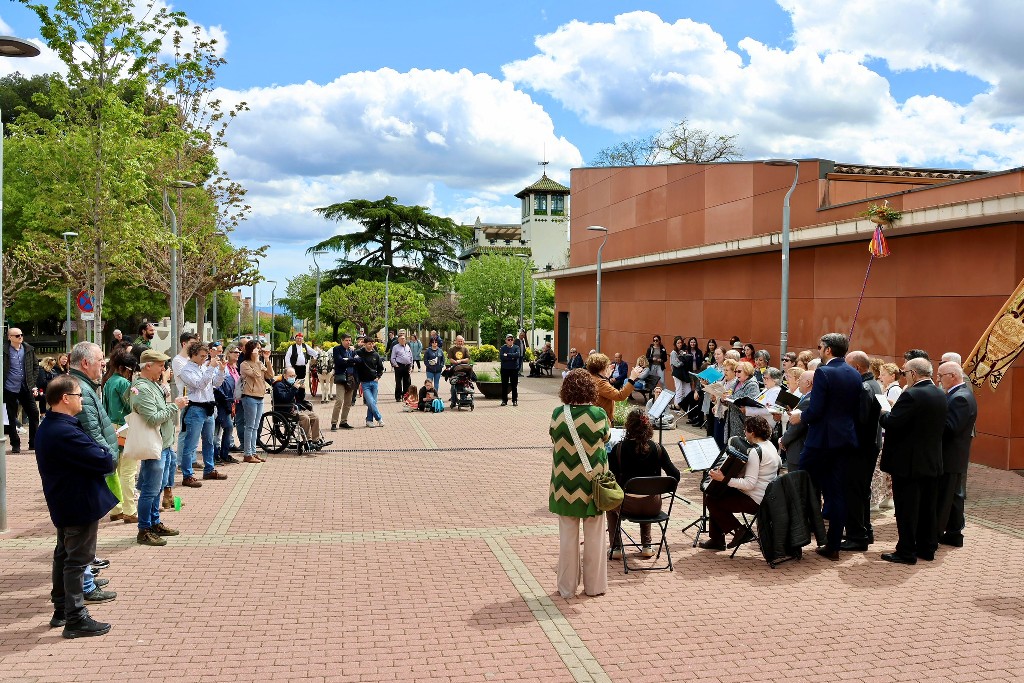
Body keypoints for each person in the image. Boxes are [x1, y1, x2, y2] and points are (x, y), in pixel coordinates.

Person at [35, 374, 117, 639]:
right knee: (77, 560)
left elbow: (95, 453)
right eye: (79, 395)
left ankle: (61, 610)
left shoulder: (55, 425)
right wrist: (104, 453)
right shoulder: (64, 430)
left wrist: (100, 452)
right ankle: (75, 617)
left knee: (64, 555)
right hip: (76, 502)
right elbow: (104, 460)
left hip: (67, 500)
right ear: (65, 399)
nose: (82, 400)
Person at [789, 332, 862, 560]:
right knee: (836, 493)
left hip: (821, 441)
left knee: (800, 485)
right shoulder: (854, 372)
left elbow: (817, 410)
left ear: (828, 349)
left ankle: (795, 540)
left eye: (820, 347)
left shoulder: (824, 371)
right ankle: (833, 546)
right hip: (845, 439)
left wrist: (800, 416)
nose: (818, 350)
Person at [879, 357, 948, 564]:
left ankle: (906, 551)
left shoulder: (912, 394)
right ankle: (927, 548)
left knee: (906, 508)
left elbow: (893, 423)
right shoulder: (939, 393)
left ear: (913, 374)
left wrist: (883, 412)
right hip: (931, 461)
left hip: (908, 463)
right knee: (928, 507)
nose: (903, 376)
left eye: (904, 372)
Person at [549, 369, 611, 599]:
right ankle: (594, 587)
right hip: (594, 485)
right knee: (595, 537)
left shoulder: (558, 414)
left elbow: (553, 437)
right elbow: (606, 438)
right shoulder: (598, 414)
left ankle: (566, 588)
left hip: (565, 484)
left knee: (567, 538)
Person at [130, 350, 188, 546]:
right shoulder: (142, 388)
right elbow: (152, 418)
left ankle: (154, 523)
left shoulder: (152, 385)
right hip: (154, 446)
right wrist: (175, 406)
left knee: (158, 488)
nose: (163, 369)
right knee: (150, 490)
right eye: (160, 365)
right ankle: (144, 529)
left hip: (163, 444)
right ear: (148, 366)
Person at [606, 408, 680, 558]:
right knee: (647, 492)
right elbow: (675, 475)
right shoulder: (658, 448)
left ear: (628, 426)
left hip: (625, 506)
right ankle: (647, 545)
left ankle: (616, 548)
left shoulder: (618, 449)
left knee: (610, 503)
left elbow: (611, 479)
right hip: (652, 507)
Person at [699, 416, 781, 550]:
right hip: (766, 497)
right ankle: (717, 539)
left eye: (746, 430)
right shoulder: (770, 445)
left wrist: (724, 479)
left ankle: (739, 531)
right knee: (715, 492)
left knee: (712, 500)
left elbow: (749, 484)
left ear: (752, 432)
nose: (744, 433)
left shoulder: (755, 452)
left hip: (755, 500)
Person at [841, 350, 883, 551]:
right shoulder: (874, 384)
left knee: (854, 492)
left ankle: (857, 536)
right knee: (862, 491)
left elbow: (860, 421)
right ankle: (865, 530)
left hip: (859, 448)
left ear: (856, 368)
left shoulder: (864, 387)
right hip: (868, 447)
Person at [936, 361, 977, 549]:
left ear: (952, 376)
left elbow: (951, 427)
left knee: (947, 498)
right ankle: (953, 533)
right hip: (954, 456)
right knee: (953, 497)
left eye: (940, 375)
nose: (938, 379)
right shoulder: (958, 394)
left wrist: (932, 420)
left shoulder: (960, 397)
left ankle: (940, 533)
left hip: (951, 456)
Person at [177, 342, 227, 485]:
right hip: (195, 408)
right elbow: (200, 384)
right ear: (193, 355)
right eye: (202, 356)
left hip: (208, 407)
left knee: (209, 441)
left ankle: (209, 469)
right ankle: (187, 475)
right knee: (191, 444)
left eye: (206, 356)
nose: (204, 359)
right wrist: (211, 367)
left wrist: (221, 371)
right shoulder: (186, 370)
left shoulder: (204, 367)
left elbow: (216, 384)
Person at [103, 352, 139, 524]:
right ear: (124, 368)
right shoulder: (124, 383)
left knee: (114, 472)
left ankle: (115, 509)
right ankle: (129, 510)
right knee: (129, 472)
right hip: (126, 427)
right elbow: (131, 406)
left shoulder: (108, 381)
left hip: (111, 427)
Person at [4, 327, 40, 453]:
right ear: (9, 337)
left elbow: (36, 366)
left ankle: (33, 442)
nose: (20, 337)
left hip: (26, 387)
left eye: (21, 335)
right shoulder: (4, 350)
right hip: (9, 388)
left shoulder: (28, 349)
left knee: (34, 413)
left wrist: (32, 381)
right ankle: (15, 444)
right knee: (11, 416)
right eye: (17, 335)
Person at [239, 341, 274, 463]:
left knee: (255, 427)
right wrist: (257, 360)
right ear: (250, 350)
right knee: (249, 426)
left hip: (260, 396)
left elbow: (270, 375)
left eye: (260, 348)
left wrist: (267, 360)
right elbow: (257, 375)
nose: (259, 350)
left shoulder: (260, 362)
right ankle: (247, 454)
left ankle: (253, 452)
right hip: (249, 397)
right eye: (257, 348)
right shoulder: (244, 364)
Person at [273, 367, 326, 447]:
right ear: (284, 376)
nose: (293, 378)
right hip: (285, 410)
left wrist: (302, 389)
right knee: (305, 418)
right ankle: (308, 441)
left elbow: (300, 399)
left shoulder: (292, 384)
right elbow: (285, 398)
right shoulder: (279, 385)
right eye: (290, 376)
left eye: (294, 376)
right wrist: (294, 388)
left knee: (315, 417)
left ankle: (315, 440)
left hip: (296, 408)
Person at [585, 353, 642, 422]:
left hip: (595, 417)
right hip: (602, 420)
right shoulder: (600, 382)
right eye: (606, 366)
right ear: (602, 367)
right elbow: (620, 396)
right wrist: (632, 379)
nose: (608, 367)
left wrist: (606, 377)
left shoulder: (592, 378)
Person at [779, 370, 813, 470]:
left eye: (800, 380)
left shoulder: (808, 400)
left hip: (798, 450)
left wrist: (783, 440)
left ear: (808, 383)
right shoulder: (806, 397)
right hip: (796, 448)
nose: (798, 382)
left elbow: (797, 427)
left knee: (796, 484)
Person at [213, 346, 240, 466]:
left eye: (239, 352)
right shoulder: (223, 366)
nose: (238, 354)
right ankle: (216, 455)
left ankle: (222, 454)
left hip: (229, 401)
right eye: (235, 352)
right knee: (220, 429)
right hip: (220, 401)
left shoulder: (233, 368)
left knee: (224, 428)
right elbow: (219, 385)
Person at [724, 361, 761, 443]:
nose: (737, 374)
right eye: (735, 372)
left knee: (740, 447)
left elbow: (751, 404)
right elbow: (731, 397)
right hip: (731, 420)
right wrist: (724, 399)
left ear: (747, 371)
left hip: (743, 423)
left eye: (739, 371)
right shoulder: (736, 382)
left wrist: (732, 400)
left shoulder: (752, 385)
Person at [354, 334, 385, 427]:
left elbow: (380, 368)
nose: (371, 345)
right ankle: (379, 419)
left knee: (373, 403)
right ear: (365, 344)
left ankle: (369, 420)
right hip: (365, 383)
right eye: (369, 344)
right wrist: (357, 345)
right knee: (370, 402)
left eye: (372, 344)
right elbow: (353, 352)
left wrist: (378, 377)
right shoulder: (360, 352)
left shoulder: (376, 354)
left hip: (374, 382)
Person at [331, 334, 359, 431]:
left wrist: (348, 359)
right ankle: (334, 423)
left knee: (348, 402)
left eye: (350, 340)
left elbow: (358, 360)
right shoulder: (337, 349)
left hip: (351, 378)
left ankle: (343, 421)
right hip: (341, 378)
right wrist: (351, 361)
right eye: (346, 340)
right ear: (342, 340)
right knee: (339, 401)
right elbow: (339, 361)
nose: (348, 342)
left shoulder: (352, 350)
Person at [390, 331, 413, 402]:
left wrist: (411, 366)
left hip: (407, 366)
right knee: (398, 382)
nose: (403, 340)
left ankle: (406, 396)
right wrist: (396, 365)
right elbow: (392, 357)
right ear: (398, 340)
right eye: (401, 339)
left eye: (404, 339)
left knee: (407, 382)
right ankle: (398, 396)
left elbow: (411, 356)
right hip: (399, 366)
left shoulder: (408, 346)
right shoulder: (395, 347)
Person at [499, 333, 522, 406]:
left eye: (511, 339)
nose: (510, 341)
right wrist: (512, 357)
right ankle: (504, 400)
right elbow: (502, 357)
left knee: (514, 385)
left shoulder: (516, 347)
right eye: (508, 340)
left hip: (514, 369)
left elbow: (517, 355)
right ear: (506, 341)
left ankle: (514, 400)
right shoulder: (503, 348)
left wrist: (507, 355)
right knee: (504, 385)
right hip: (505, 369)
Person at [669, 336, 689, 409]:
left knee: (685, 389)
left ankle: (683, 405)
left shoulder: (681, 351)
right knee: (679, 389)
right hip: (676, 373)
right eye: (678, 343)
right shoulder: (673, 353)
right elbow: (676, 364)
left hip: (682, 373)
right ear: (675, 344)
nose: (680, 344)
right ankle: (676, 405)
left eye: (681, 343)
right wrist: (683, 361)